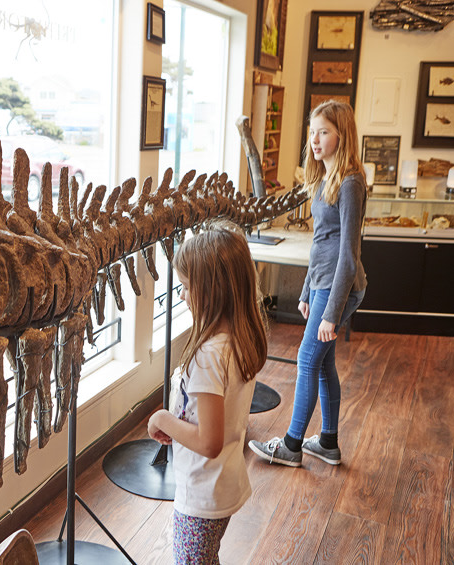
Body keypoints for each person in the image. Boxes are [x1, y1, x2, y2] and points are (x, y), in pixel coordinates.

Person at [248, 100, 368, 467]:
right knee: (323, 362)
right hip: (321, 283)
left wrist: (331, 311)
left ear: (342, 134)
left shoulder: (350, 184)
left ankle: (291, 445)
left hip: (339, 287)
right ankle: (328, 442)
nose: (315, 139)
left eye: (324, 132)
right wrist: (304, 290)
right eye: (312, 131)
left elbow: (348, 254)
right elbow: (321, 243)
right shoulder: (325, 179)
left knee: (306, 358)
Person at [147, 220, 267, 564]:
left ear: (211, 289)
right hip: (221, 485)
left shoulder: (209, 355)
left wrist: (164, 419)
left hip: (201, 495)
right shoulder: (237, 341)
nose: (182, 294)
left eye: (186, 286)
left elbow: (209, 442)